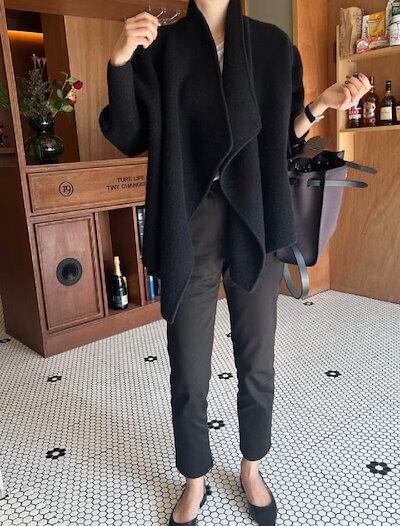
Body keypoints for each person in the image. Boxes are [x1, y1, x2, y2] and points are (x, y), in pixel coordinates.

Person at [100, 1, 371, 525]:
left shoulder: (272, 46)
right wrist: (120, 59)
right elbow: (130, 137)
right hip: (189, 219)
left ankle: (251, 467)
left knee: (257, 357)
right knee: (188, 363)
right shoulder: (163, 45)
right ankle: (195, 477)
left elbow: (281, 138)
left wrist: (321, 104)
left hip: (255, 215)